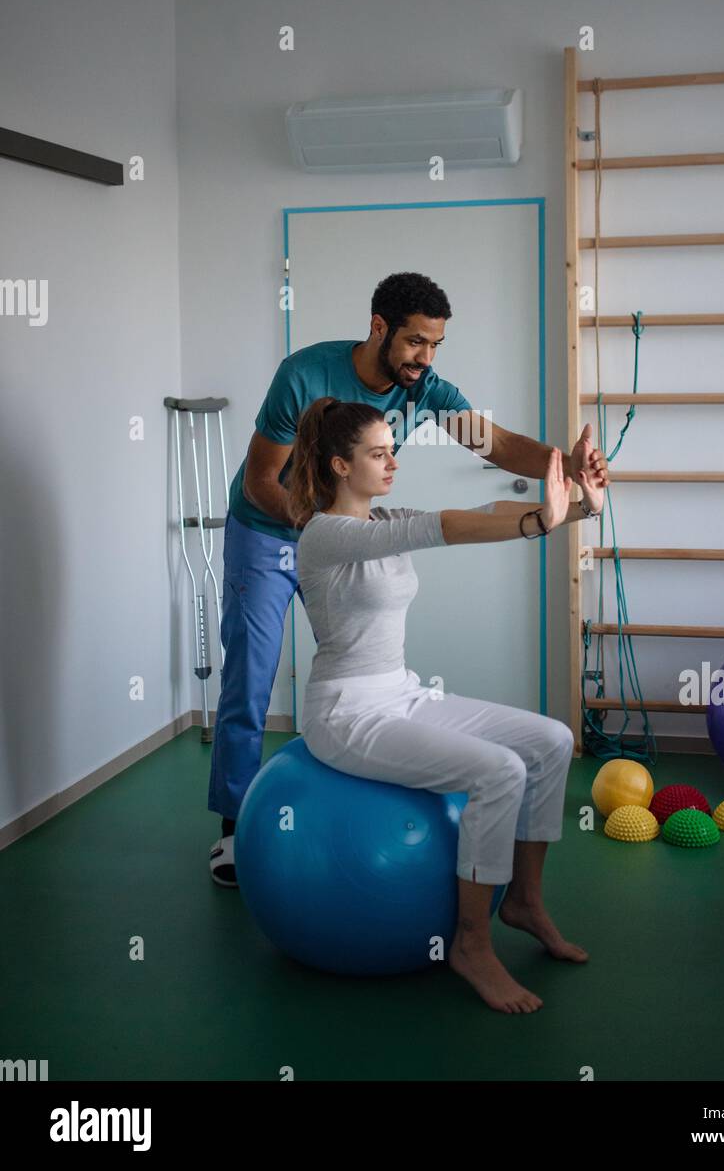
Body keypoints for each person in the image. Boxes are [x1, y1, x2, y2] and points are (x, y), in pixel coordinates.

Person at [208, 271, 603, 887]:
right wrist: (318, 533)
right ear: (378, 328)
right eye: (416, 341)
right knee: (251, 676)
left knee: (361, 647)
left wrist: (566, 465)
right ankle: (233, 830)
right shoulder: (302, 374)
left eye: (436, 344)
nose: (426, 357)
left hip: (336, 529)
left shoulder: (426, 389)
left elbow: (493, 445)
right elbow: (263, 477)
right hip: (267, 528)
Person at [288, 395, 609, 1014]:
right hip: (346, 713)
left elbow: (485, 510)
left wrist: (578, 507)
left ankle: (524, 900)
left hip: (401, 692)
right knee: (499, 771)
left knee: (550, 740)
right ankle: (471, 944)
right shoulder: (324, 535)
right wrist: (544, 521)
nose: (392, 464)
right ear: (336, 466)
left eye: (392, 451)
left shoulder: (384, 520)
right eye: (377, 454)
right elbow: (449, 526)